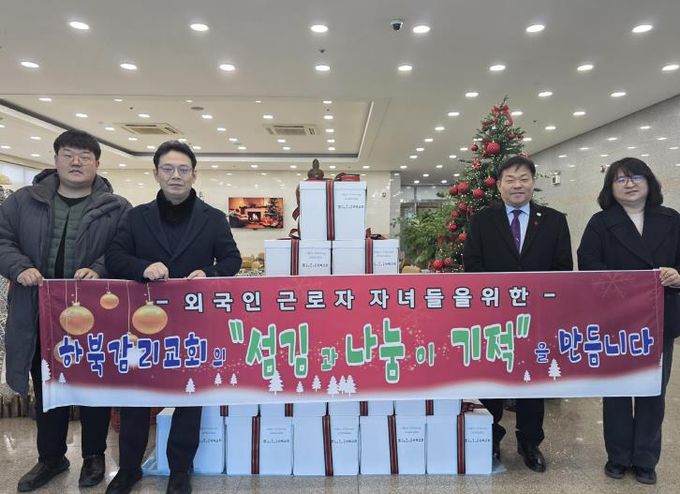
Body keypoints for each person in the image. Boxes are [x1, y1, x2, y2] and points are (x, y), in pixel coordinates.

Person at [105, 140, 241, 494]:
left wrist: (208, 273)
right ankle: (129, 468)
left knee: (188, 396)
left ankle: (180, 469)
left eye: (183, 169)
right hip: (141, 322)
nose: (176, 176)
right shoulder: (136, 216)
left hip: (192, 321)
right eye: (168, 169)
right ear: (156, 174)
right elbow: (115, 256)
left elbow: (232, 260)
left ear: (194, 175)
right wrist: (142, 267)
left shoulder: (213, 218)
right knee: (136, 395)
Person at [0, 130, 131, 491]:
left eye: (85, 156)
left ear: (96, 163)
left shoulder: (117, 207)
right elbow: (2, 239)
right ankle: (51, 458)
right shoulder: (23, 202)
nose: (76, 162)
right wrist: (19, 267)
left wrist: (101, 269)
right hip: (37, 312)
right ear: (55, 159)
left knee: (94, 385)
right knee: (47, 387)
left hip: (96, 315)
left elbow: (126, 249)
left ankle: (94, 456)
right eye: (69, 154)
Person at [463, 155, 573, 472]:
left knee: (532, 381)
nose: (517, 185)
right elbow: (472, 265)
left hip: (537, 318)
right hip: (494, 317)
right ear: (499, 186)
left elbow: (563, 268)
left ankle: (530, 442)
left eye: (524, 178)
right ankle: (491, 438)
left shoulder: (553, 220)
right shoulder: (482, 220)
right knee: (492, 379)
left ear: (533, 183)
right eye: (510, 179)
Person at [577, 157, 680, 485]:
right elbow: (587, 264)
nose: (630, 184)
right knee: (617, 390)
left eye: (636, 177)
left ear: (650, 182)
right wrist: (622, 282)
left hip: (659, 320)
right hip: (616, 321)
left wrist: (677, 275)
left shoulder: (672, 220)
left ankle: (646, 459)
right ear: (611, 187)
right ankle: (618, 456)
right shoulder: (600, 223)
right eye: (620, 179)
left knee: (654, 390)